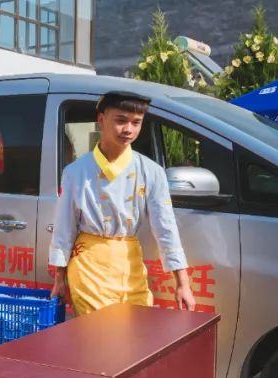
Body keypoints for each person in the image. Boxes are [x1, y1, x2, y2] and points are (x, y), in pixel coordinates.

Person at [49, 90, 195, 316]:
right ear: (101, 120)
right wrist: (59, 279)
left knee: (134, 333)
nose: (129, 129)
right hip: (89, 266)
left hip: (130, 264)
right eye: (121, 120)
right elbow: (64, 228)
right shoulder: (75, 172)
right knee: (99, 336)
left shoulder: (151, 172)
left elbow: (166, 228)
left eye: (136, 123)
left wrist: (183, 284)